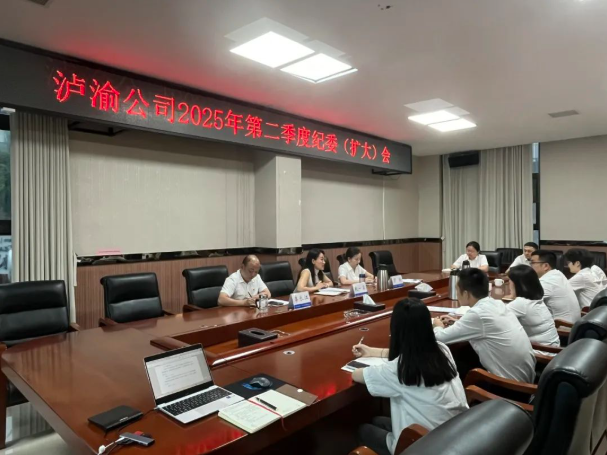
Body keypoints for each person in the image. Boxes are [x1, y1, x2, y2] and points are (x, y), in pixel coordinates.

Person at [352, 298, 468, 455]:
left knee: (363, 430)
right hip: (455, 433)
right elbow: (412, 352)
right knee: (378, 420)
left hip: (425, 445)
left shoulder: (400, 369)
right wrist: (372, 351)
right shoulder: (442, 350)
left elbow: (357, 375)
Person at [432, 268, 536, 383]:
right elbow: (482, 326)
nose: (456, 294)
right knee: (464, 355)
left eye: (457, 290)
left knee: (444, 362)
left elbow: (439, 338)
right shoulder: (496, 303)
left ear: (466, 294)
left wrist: (437, 325)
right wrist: (457, 323)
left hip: (508, 386)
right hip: (524, 378)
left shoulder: (478, 314)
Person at [506, 266, 560, 347]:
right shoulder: (536, 298)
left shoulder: (521, 303)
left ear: (516, 284)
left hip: (542, 350)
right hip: (553, 346)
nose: (508, 284)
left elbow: (497, 317)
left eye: (509, 281)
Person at [530, 250, 580, 323]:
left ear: (545, 266)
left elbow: (527, 302)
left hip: (563, 326)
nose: (530, 266)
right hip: (573, 323)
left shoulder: (547, 281)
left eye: (532, 263)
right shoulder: (558, 274)